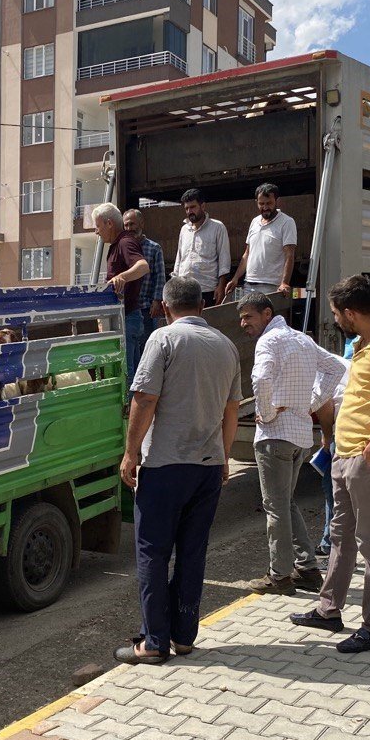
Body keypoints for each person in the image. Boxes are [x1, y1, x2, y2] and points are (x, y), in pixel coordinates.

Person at [117, 276, 241, 664]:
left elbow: (145, 397)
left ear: (166, 308)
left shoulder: (164, 339)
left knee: (153, 552)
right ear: (202, 306)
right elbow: (232, 410)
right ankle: (184, 637)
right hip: (207, 467)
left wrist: (130, 452)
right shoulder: (227, 346)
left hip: (165, 464)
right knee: (192, 552)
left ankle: (154, 642)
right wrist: (222, 456)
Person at [291, 274, 370, 654]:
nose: (335, 321)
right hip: (347, 457)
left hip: (369, 462)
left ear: (349, 312)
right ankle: (329, 610)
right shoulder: (364, 344)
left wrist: (365, 457)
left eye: (336, 314)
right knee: (340, 537)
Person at [237, 292, 346, 595]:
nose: (244, 324)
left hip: (275, 436)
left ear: (266, 313)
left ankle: (280, 577)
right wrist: (311, 402)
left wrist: (267, 412)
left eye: (248, 316)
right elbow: (335, 369)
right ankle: (308, 569)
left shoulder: (269, 341)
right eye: (241, 318)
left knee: (275, 507)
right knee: (285, 503)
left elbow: (259, 380)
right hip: (299, 436)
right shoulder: (302, 339)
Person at [93, 203, 151, 383]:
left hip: (126, 319)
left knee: (126, 375)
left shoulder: (125, 242)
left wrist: (121, 277)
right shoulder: (117, 244)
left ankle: (131, 411)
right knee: (131, 375)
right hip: (126, 318)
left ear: (109, 223)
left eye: (98, 226)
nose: (96, 232)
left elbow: (143, 266)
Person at [316, 333, 357, 557]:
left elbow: (324, 404)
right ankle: (338, 542)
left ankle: (331, 544)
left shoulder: (322, 370)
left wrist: (326, 436)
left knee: (334, 492)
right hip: (365, 438)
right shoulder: (363, 369)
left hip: (342, 437)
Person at [222, 183, 297, 301]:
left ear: (277, 201)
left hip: (272, 287)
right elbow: (247, 254)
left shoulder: (287, 222)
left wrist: (284, 283)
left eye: (269, 203)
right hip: (249, 284)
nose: (265, 207)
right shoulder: (254, 222)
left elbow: (289, 255)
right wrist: (235, 278)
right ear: (256, 202)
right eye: (261, 204)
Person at [173, 188, 231, 308]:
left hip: (206, 290)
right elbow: (179, 259)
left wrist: (221, 287)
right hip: (185, 290)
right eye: (187, 208)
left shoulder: (217, 228)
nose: (190, 211)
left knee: (206, 324)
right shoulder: (184, 230)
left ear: (203, 206)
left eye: (193, 207)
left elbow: (224, 260)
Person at [124, 209, 166, 340]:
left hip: (147, 308)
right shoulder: (123, 248)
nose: (129, 228)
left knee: (147, 345)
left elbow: (159, 276)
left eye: (132, 224)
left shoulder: (154, 248)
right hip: (128, 308)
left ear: (141, 224)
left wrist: (157, 300)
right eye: (126, 225)